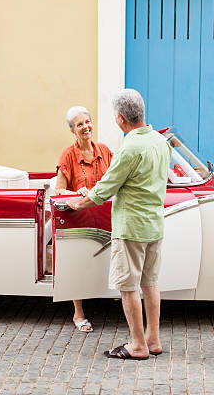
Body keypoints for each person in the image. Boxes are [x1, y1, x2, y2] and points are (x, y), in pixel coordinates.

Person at [67, 89, 171, 359]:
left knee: (128, 287)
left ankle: (137, 345)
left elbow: (104, 190)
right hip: (154, 225)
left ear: (121, 118)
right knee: (151, 284)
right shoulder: (160, 142)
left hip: (131, 228)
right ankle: (153, 339)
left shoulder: (129, 148)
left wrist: (77, 202)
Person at [55, 106, 113, 332]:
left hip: (105, 215)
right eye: (79, 125)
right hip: (79, 217)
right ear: (73, 130)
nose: (85, 127)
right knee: (78, 263)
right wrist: (77, 193)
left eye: (87, 122)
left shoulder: (106, 151)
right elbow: (59, 191)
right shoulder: (68, 155)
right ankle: (78, 313)